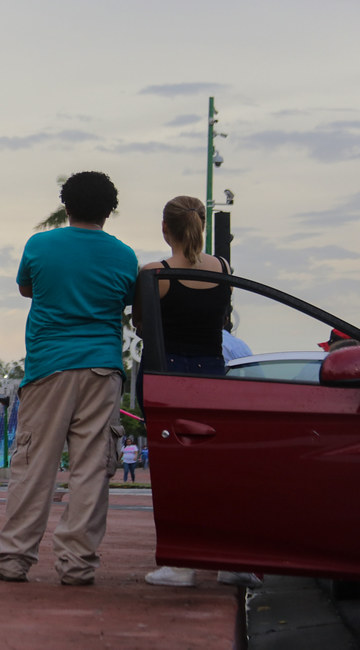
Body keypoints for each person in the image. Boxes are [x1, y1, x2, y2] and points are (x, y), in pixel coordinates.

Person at [0, 171, 138, 586]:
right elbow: (127, 300)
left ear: (66, 206)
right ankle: (77, 565)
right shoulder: (125, 256)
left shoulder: (41, 245)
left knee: (34, 465)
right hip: (103, 369)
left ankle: (13, 559)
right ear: (110, 211)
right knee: (92, 470)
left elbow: (26, 289)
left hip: (48, 368)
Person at [133, 195, 259, 589]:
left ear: (165, 229)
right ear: (202, 226)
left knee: (172, 472)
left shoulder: (156, 273)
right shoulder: (222, 267)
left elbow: (141, 323)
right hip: (211, 374)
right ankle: (230, 558)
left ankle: (179, 562)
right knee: (215, 470)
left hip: (168, 374)